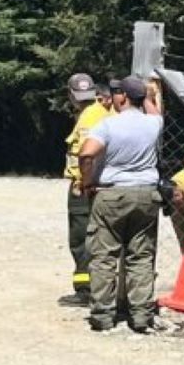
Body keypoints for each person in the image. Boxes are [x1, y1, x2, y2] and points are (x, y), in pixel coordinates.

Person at [77, 74, 164, 333]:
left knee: (104, 256)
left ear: (123, 97)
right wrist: (149, 94)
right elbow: (156, 112)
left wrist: (87, 181)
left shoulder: (108, 125)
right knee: (141, 256)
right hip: (147, 193)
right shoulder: (153, 125)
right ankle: (140, 315)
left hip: (112, 193)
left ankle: (103, 315)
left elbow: (86, 153)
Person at [61, 73, 111, 305]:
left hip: (85, 185)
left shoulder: (89, 117)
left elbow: (86, 155)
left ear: (70, 95)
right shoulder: (101, 112)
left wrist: (83, 183)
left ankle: (84, 289)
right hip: (98, 183)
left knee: (81, 237)